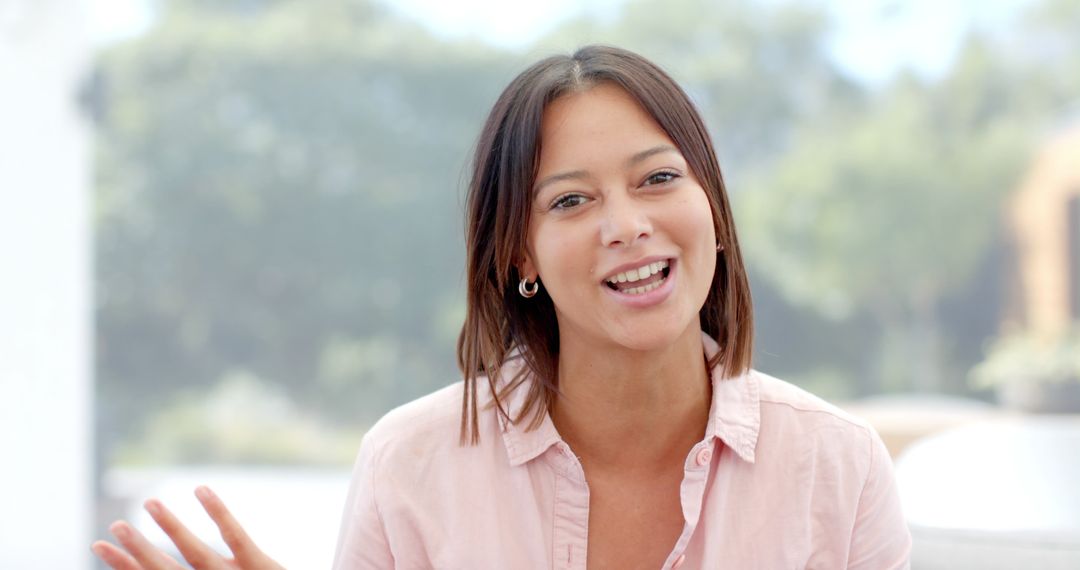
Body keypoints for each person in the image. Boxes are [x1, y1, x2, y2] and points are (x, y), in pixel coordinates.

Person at [92, 45, 912, 570]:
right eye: (570, 202)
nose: (627, 225)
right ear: (519, 254)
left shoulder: (836, 467)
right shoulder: (414, 463)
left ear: (714, 212)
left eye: (659, 179)